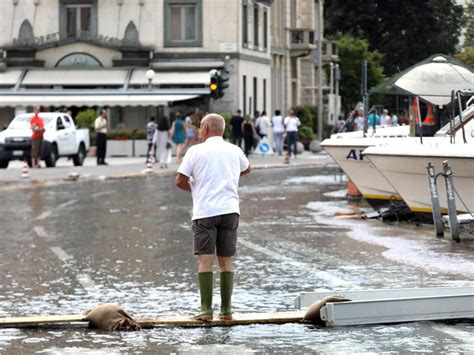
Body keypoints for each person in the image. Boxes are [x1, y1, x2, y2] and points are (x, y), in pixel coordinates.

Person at [175, 113, 251, 321]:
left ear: (206, 129)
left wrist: (197, 189)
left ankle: (206, 310)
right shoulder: (234, 150)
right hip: (230, 211)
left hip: (205, 211)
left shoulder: (195, 151)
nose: (200, 131)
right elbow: (247, 168)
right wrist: (228, 177)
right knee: (226, 261)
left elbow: (180, 181)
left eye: (201, 127)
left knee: (205, 261)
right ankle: (226, 311)